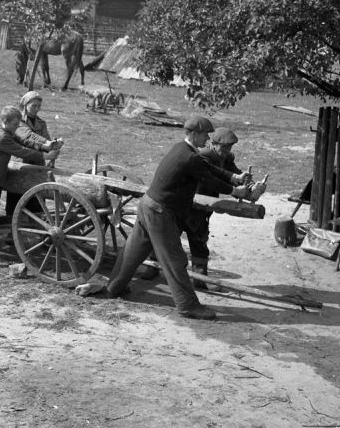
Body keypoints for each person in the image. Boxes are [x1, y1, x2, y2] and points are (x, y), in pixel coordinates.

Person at [103, 116, 251, 320]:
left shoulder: (182, 149)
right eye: (205, 134)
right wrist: (236, 190)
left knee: (133, 251)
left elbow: (209, 168)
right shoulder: (189, 157)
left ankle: (113, 288)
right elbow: (209, 178)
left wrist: (233, 177)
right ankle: (188, 305)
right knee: (175, 260)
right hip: (160, 212)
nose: (208, 138)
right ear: (194, 134)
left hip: (148, 205)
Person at [139, 127, 244, 291]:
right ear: (213, 144)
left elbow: (231, 173)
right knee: (167, 237)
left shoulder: (227, 157)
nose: (227, 151)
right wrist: (234, 190)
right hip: (187, 205)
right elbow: (212, 179)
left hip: (203, 209)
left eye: (230, 147)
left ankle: (200, 278)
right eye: (224, 147)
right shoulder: (203, 156)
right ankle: (152, 266)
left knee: (199, 241)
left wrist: (245, 181)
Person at [0, 106, 61, 266]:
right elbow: (22, 151)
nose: (16, 127)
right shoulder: (1, 137)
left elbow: (25, 141)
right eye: (14, 124)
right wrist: (45, 155)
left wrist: (46, 145)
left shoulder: (8, 133)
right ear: (5, 122)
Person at [5, 91, 64, 217]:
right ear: (25, 105)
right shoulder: (18, 121)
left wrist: (54, 146)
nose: (37, 109)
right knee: (16, 199)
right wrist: (47, 143)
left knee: (36, 200)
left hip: (37, 165)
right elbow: (28, 136)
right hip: (21, 165)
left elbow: (47, 144)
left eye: (39, 106)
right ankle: (12, 225)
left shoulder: (41, 123)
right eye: (34, 106)